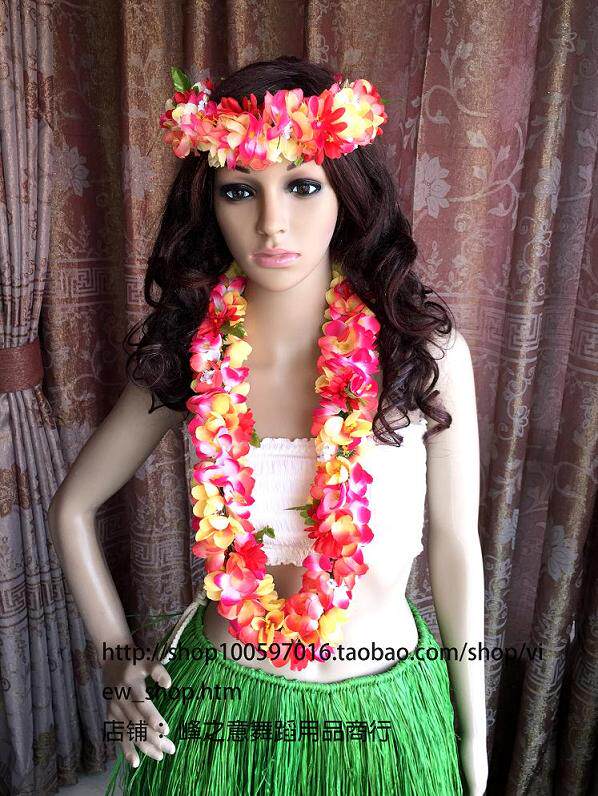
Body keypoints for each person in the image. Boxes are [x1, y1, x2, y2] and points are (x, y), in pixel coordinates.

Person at [48, 56, 487, 795]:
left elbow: (455, 544)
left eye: (302, 185)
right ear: (211, 203)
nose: (272, 222)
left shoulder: (423, 353)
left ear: (347, 193)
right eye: (240, 190)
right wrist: (118, 661)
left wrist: (473, 729)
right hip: (219, 715)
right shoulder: (194, 352)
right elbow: (73, 507)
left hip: (384, 720)